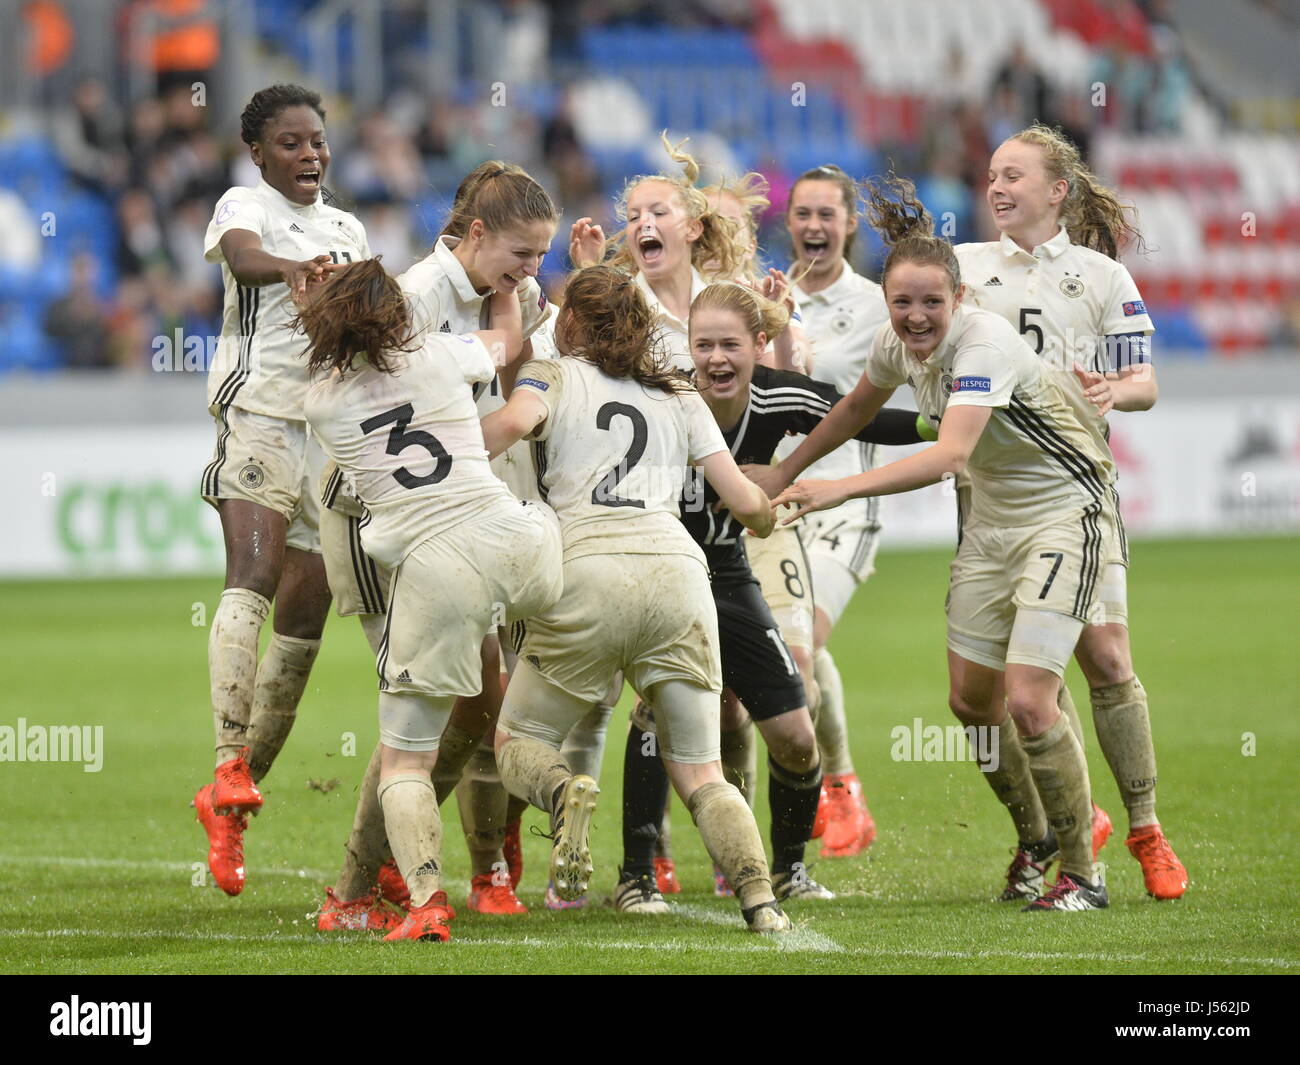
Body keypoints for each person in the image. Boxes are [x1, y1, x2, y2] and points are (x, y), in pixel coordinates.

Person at [760, 176, 1114, 911]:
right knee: (968, 702)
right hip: (992, 522)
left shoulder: (982, 341)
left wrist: (837, 487)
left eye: (931, 302)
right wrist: (786, 471)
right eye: (902, 302)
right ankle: (1037, 838)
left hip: (1063, 511)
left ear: (960, 299)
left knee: (1029, 701)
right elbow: (856, 404)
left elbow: (951, 454)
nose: (916, 316)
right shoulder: (898, 343)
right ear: (887, 302)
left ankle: (1083, 872)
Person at [480, 266, 793, 933]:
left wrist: (438, 457)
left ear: (571, 323)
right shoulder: (679, 393)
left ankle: (564, 791)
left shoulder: (552, 372)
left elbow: (513, 421)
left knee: (517, 738)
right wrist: (769, 516)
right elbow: (743, 501)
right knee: (702, 769)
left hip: (586, 569)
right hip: (678, 574)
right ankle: (761, 901)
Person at [616, 281, 927, 911]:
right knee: (657, 712)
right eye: (703, 345)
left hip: (728, 571)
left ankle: (788, 870)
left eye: (730, 344)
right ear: (688, 348)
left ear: (759, 346)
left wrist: (941, 422)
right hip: (659, 571)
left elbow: (858, 413)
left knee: (793, 732)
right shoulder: (660, 392)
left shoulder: (779, 395)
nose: (716, 359)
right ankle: (637, 876)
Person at [315, 161, 560, 923]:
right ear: (476, 232)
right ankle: (376, 880)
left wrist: (512, 292)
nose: (531, 270)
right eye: (522, 254)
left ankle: (409, 869)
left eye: (541, 258)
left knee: (465, 703)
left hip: (443, 523)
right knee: (433, 708)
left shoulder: (478, 294)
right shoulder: (414, 302)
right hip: (383, 526)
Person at [952, 122, 1186, 900]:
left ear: (1057, 190)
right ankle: (1063, 823)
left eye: (1014, 174)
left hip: (1077, 493)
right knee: (993, 693)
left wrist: (1113, 391)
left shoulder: (1100, 276)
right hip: (988, 499)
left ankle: (1145, 827)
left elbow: (1144, 381)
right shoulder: (964, 269)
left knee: (1106, 660)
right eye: (991, 173)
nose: (997, 186)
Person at [192, 84, 369, 897]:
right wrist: (297, 267)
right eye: (292, 144)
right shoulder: (245, 205)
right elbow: (239, 257)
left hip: (328, 437)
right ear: (260, 152)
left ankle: (231, 803)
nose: (309, 156)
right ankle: (228, 758)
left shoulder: (350, 229)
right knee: (253, 579)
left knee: (303, 632)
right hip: (260, 416)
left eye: (318, 143)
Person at [764, 164, 893, 858]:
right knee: (800, 649)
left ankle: (820, 789)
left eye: (827, 214)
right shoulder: (766, 294)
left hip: (844, 499)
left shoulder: (878, 305)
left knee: (798, 647)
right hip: (778, 503)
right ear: (789, 222)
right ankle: (842, 788)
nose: (814, 226)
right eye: (803, 214)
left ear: (850, 223)